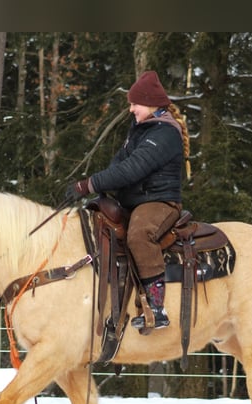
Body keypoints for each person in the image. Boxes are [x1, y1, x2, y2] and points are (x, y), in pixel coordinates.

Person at [67, 70, 191, 333]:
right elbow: (119, 165)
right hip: (136, 201)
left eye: (135, 103)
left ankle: (157, 309)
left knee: (139, 235)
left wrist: (89, 184)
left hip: (158, 202)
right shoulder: (139, 130)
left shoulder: (165, 134)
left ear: (149, 103)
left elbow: (133, 169)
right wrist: (100, 191)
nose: (132, 109)